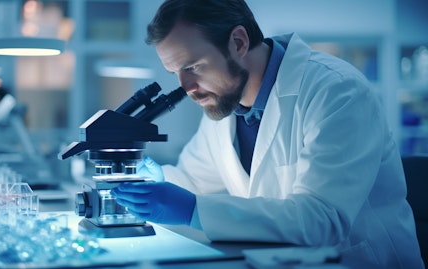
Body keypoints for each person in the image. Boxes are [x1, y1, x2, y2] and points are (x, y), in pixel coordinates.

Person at [111, 0, 424, 268]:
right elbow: (193, 182)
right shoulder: (223, 108)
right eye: (175, 73)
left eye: (193, 66)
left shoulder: (337, 91)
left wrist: (189, 208)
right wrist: (152, 182)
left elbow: (322, 220)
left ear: (238, 42)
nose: (186, 87)